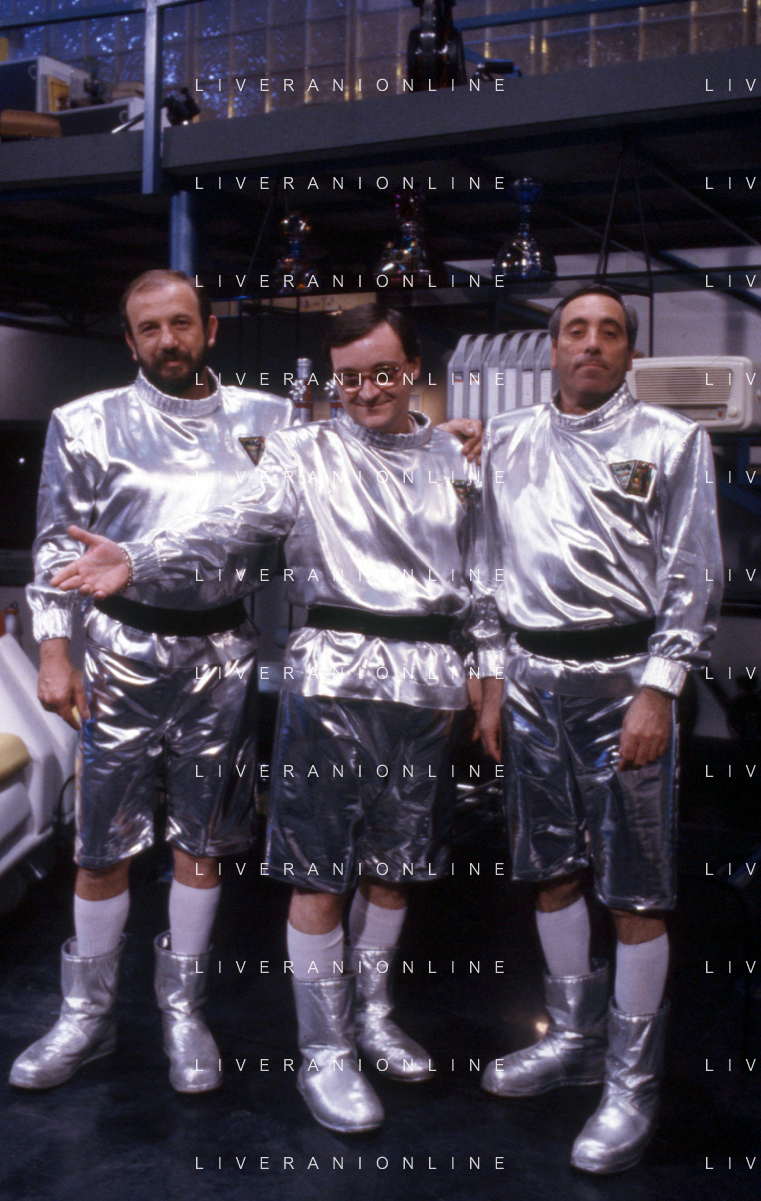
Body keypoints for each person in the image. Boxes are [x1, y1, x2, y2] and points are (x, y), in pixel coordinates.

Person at [48, 303, 482, 1135]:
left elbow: (484, 573)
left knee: (395, 869)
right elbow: (231, 525)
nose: (366, 390)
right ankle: (323, 1051)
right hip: (329, 679)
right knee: (317, 872)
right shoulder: (300, 449)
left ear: (412, 368)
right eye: (348, 377)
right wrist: (137, 556)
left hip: (428, 686)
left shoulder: (458, 459)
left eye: (382, 372)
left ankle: (372, 1014)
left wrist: (486, 675)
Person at [10, 270, 293, 1095]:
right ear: (130, 341)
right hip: (120, 651)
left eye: (180, 323)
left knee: (202, 840)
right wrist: (54, 652)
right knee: (101, 842)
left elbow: (343, 469)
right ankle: (87, 1015)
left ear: (209, 328)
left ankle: (183, 1009)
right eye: (149, 328)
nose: (167, 339)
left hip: (224, 652)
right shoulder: (85, 421)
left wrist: (447, 439)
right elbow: (56, 548)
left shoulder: (269, 419)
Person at [472, 284, 723, 1173]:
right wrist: (491, 681)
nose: (590, 344)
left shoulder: (671, 439)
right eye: (574, 330)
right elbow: (485, 566)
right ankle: (574, 1040)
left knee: (634, 890)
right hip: (530, 679)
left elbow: (692, 576)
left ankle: (629, 1082)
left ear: (628, 352)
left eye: (608, 332)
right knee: (548, 869)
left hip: (625, 681)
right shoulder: (506, 439)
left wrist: (658, 689)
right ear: (551, 348)